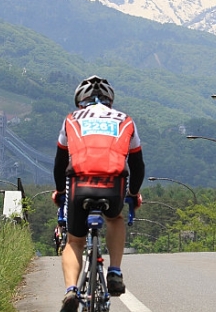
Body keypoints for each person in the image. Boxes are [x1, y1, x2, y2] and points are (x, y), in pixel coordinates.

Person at [53, 76, 145, 312]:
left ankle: (71, 290)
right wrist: (133, 194)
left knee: (74, 241)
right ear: (110, 100)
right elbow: (137, 165)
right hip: (113, 185)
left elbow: (60, 162)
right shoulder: (125, 120)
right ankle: (114, 270)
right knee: (115, 219)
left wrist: (59, 192)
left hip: (79, 184)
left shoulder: (71, 119)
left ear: (80, 100)